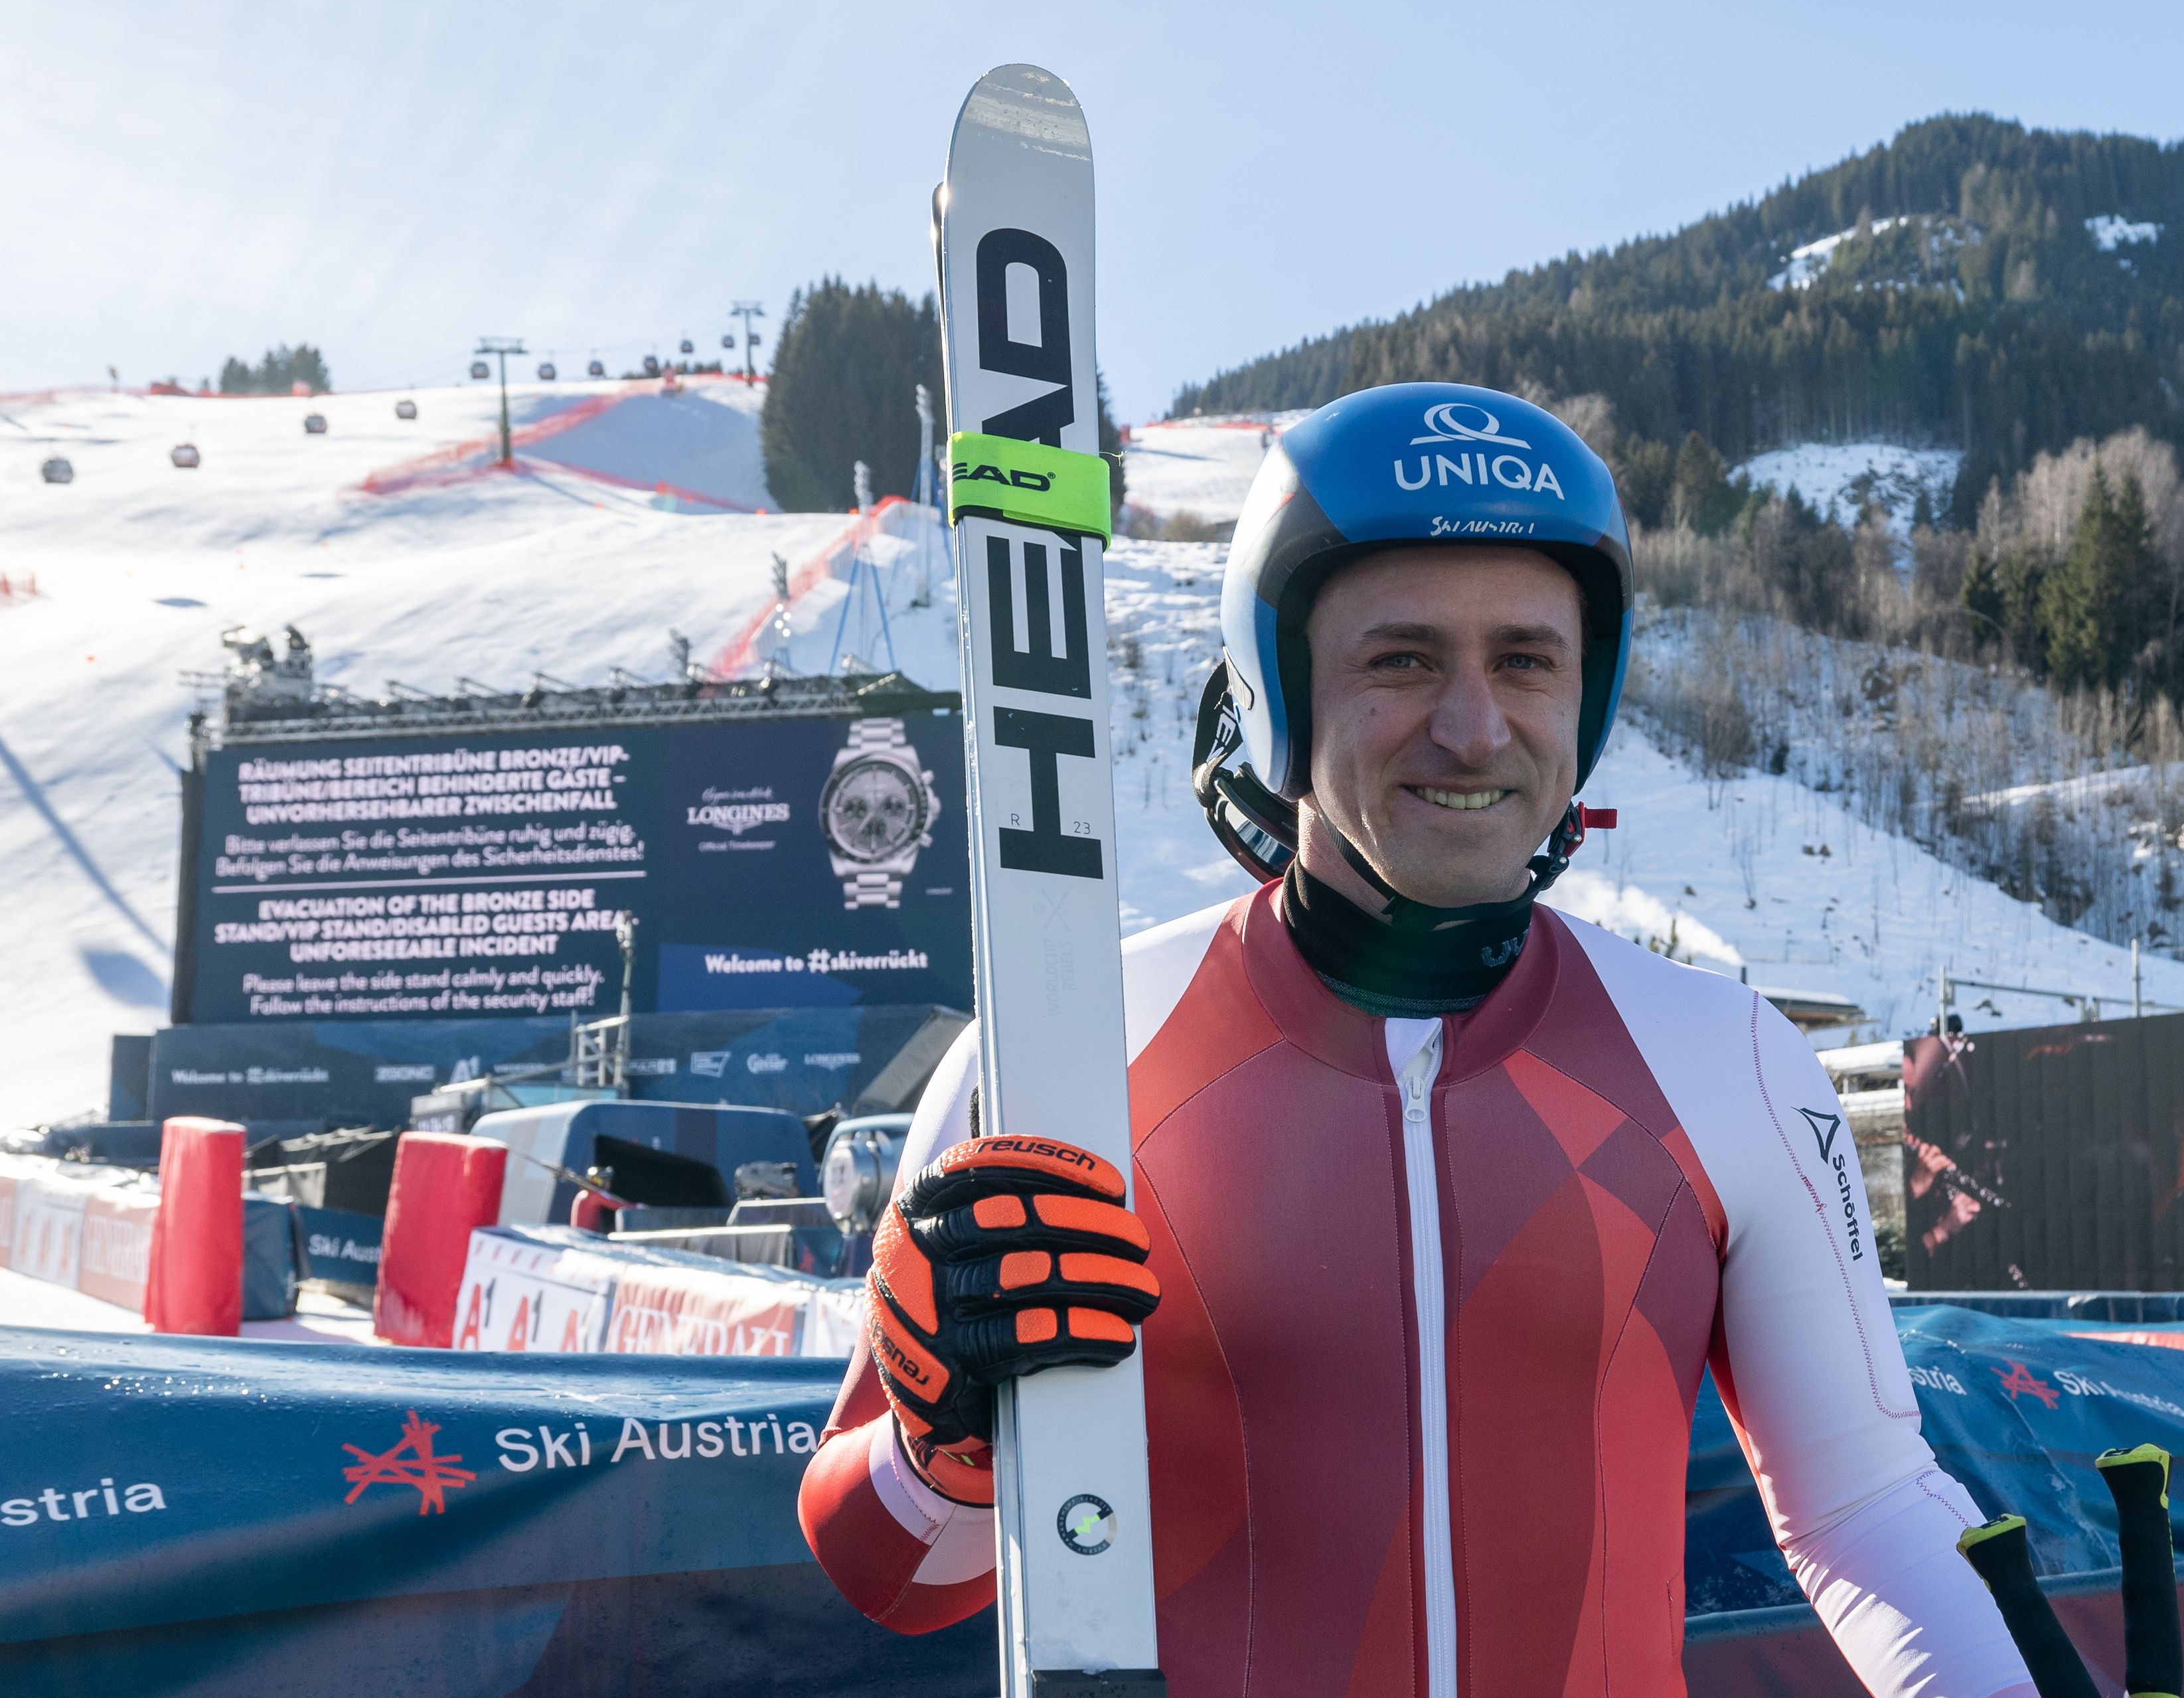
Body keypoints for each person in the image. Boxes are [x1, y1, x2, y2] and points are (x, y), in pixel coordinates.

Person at [801, 382, 2034, 1697]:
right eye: (1399, 658)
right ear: (1279, 691)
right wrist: (939, 1444)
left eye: (1524, 659)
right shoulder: (1069, 1051)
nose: (1470, 725)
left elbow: (1865, 1506)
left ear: (1586, 694)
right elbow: (888, 1573)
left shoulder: (1719, 1057)